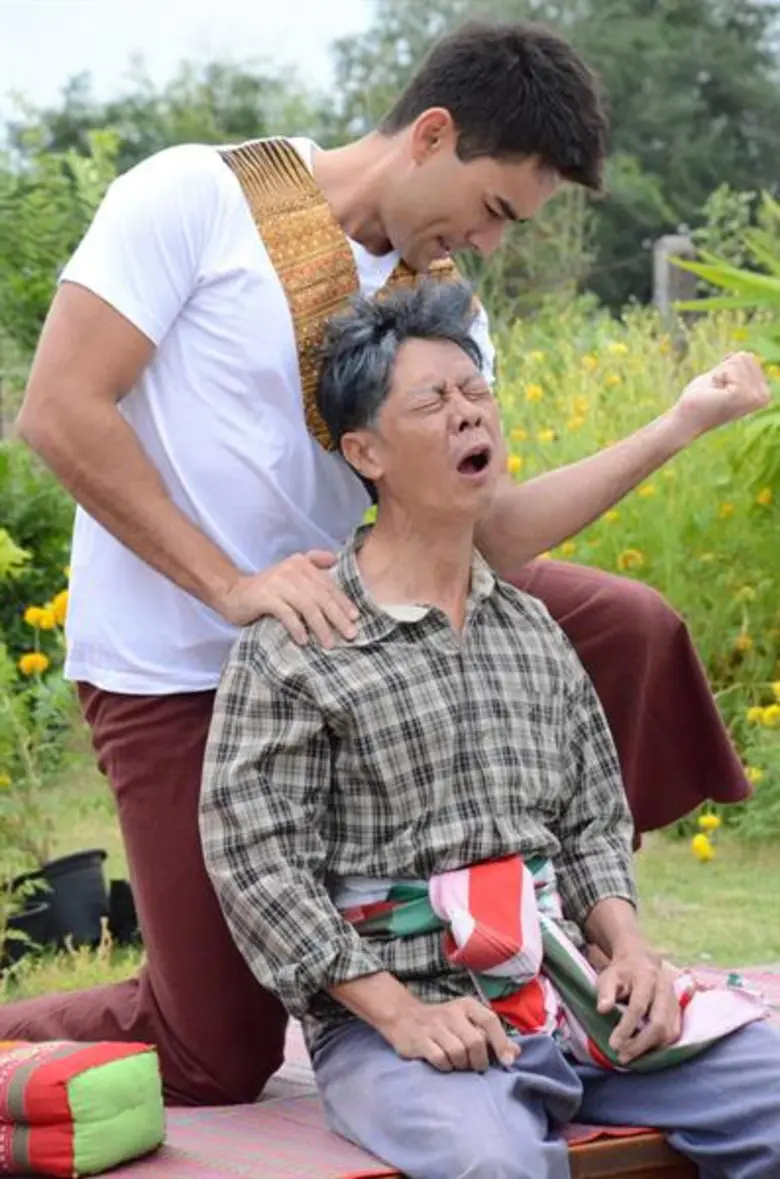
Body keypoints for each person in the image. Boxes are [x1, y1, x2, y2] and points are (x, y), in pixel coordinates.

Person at [4, 20, 769, 1106]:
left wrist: (678, 424)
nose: (491, 240)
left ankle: (573, 931)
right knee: (214, 1051)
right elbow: (59, 410)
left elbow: (495, 531)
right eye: (495, 208)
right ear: (433, 133)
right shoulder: (193, 197)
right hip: (181, 662)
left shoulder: (441, 306)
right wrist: (232, 585)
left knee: (625, 625)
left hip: (361, 649)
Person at [200, 281, 780, 1179]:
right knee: (494, 1164)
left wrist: (628, 949)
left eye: (477, 391)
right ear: (365, 450)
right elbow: (257, 865)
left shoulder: (531, 629)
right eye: (433, 400)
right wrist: (400, 1013)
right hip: (393, 1023)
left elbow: (590, 822)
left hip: (564, 991)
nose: (470, 413)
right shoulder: (300, 642)